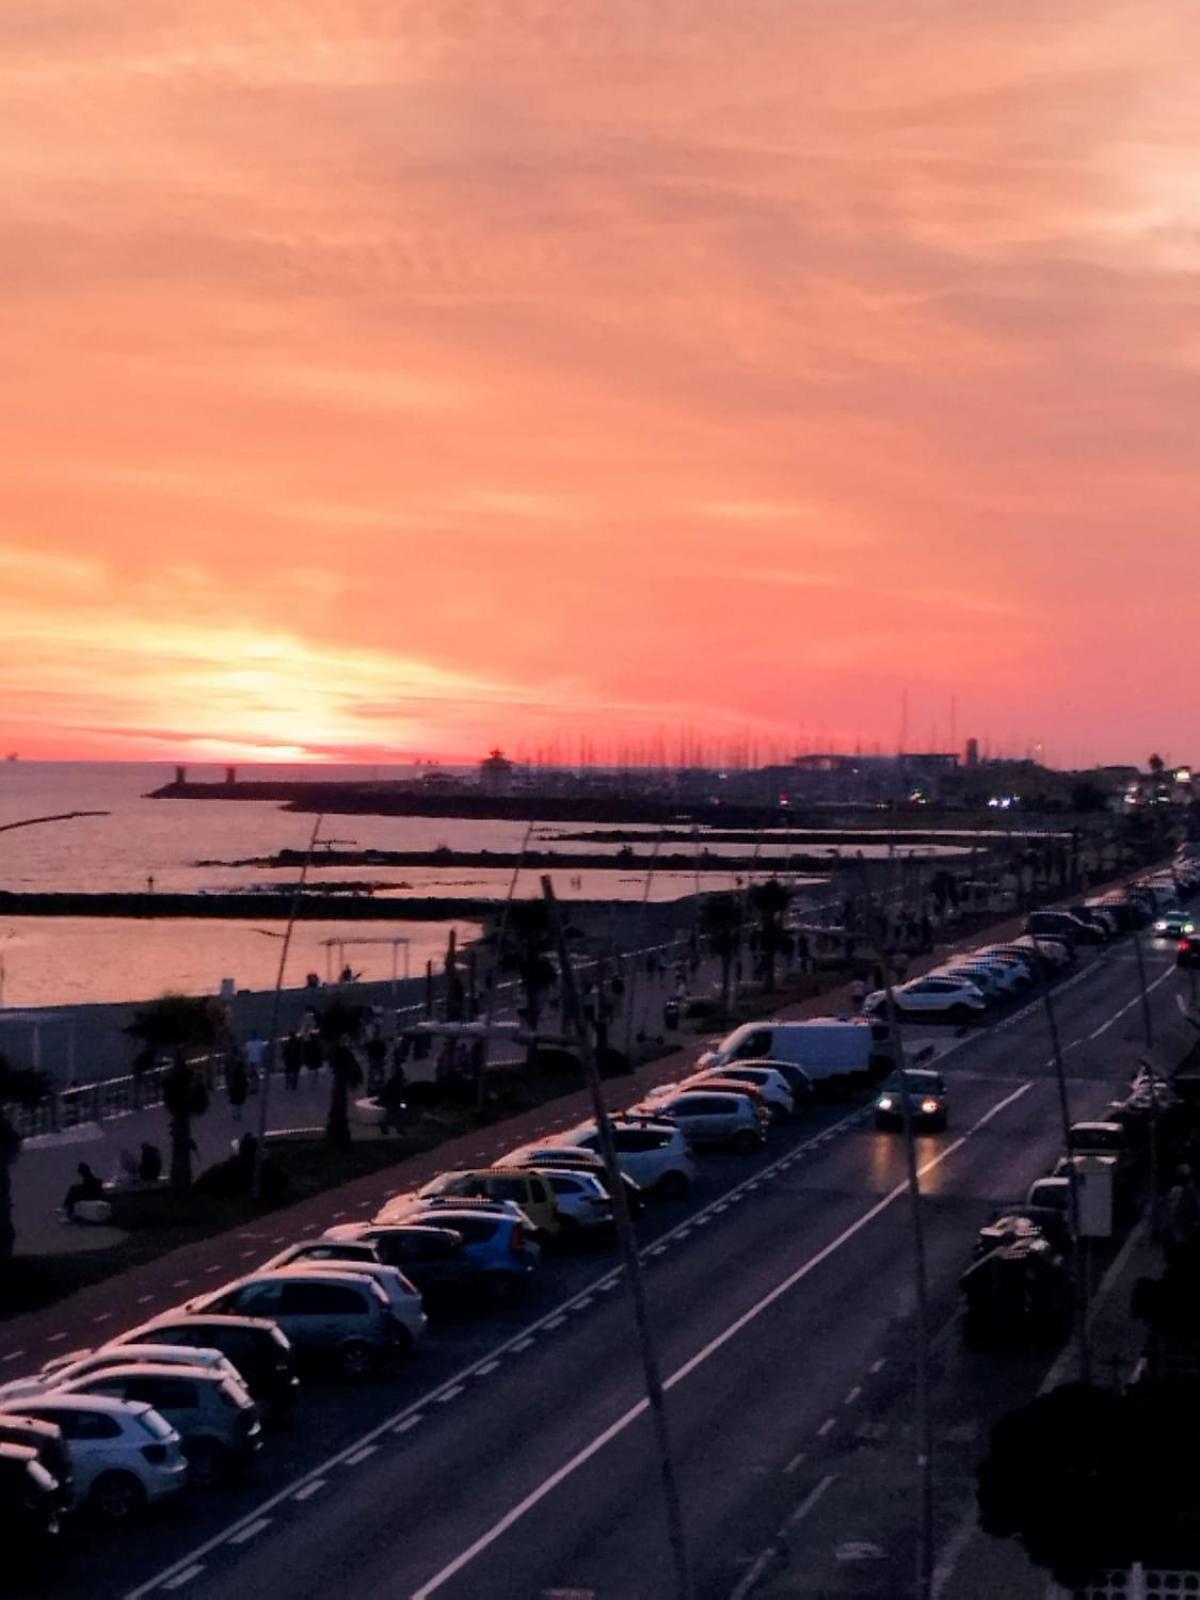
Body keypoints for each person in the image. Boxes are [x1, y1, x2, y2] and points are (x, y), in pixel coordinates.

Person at [378, 1063, 408, 1136]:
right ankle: (397, 1129)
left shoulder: (397, 1082)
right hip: (394, 1101)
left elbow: (403, 1093)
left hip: (396, 1101)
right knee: (396, 1115)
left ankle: (398, 1129)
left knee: (398, 1115)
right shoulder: (395, 1082)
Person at [226, 1053, 249, 1121]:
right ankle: (239, 1115)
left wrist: (229, 1089)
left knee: (235, 1103)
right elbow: (245, 1082)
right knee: (240, 1104)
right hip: (241, 1090)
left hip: (235, 1090)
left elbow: (231, 1081)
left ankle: (235, 1115)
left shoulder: (234, 1072)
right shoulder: (243, 1073)